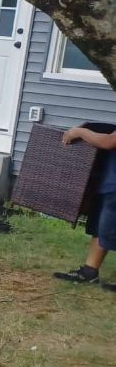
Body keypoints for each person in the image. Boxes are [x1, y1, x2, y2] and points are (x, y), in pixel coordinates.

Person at [54, 124, 116, 291]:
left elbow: (109, 142)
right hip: (110, 183)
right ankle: (89, 272)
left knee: (110, 228)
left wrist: (80, 132)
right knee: (101, 226)